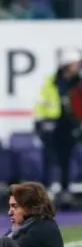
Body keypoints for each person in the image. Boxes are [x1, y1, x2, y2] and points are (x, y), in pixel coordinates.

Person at [34, 49, 82, 207]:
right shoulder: (52, 82)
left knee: (67, 159)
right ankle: (51, 190)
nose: (78, 67)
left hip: (70, 126)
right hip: (52, 126)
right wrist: (42, 122)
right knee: (51, 159)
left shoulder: (78, 83)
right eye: (75, 64)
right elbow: (41, 103)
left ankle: (65, 190)